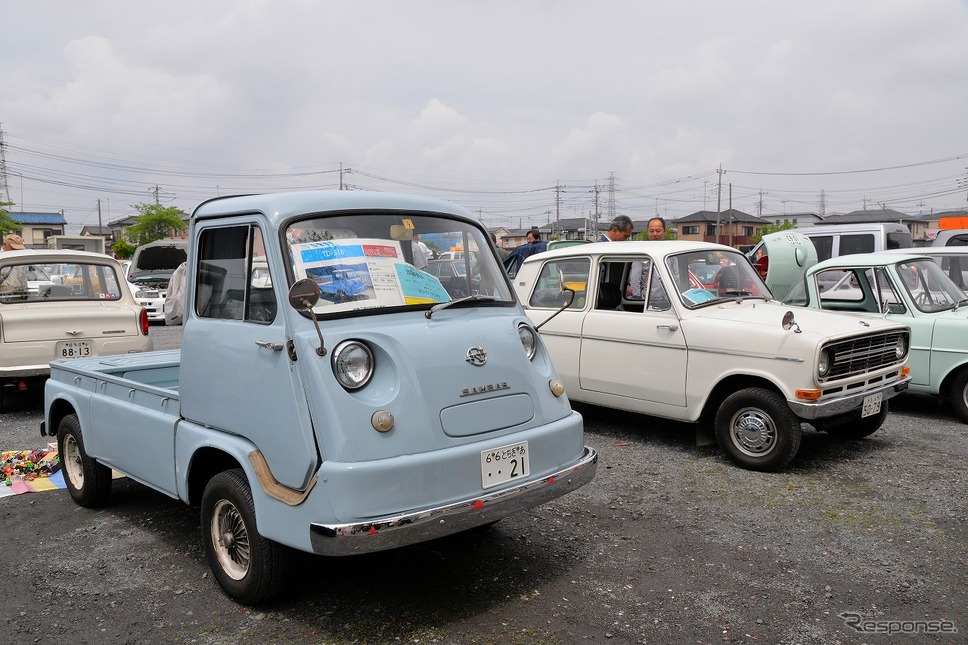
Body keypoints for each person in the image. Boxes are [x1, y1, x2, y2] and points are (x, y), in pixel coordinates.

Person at [0, 234, 28, 299]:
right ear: (6, 245)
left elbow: (23, 278)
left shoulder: (20, 258)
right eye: (14, 248)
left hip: (18, 296)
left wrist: (25, 292)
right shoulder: (1, 258)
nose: (16, 250)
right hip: (3, 297)